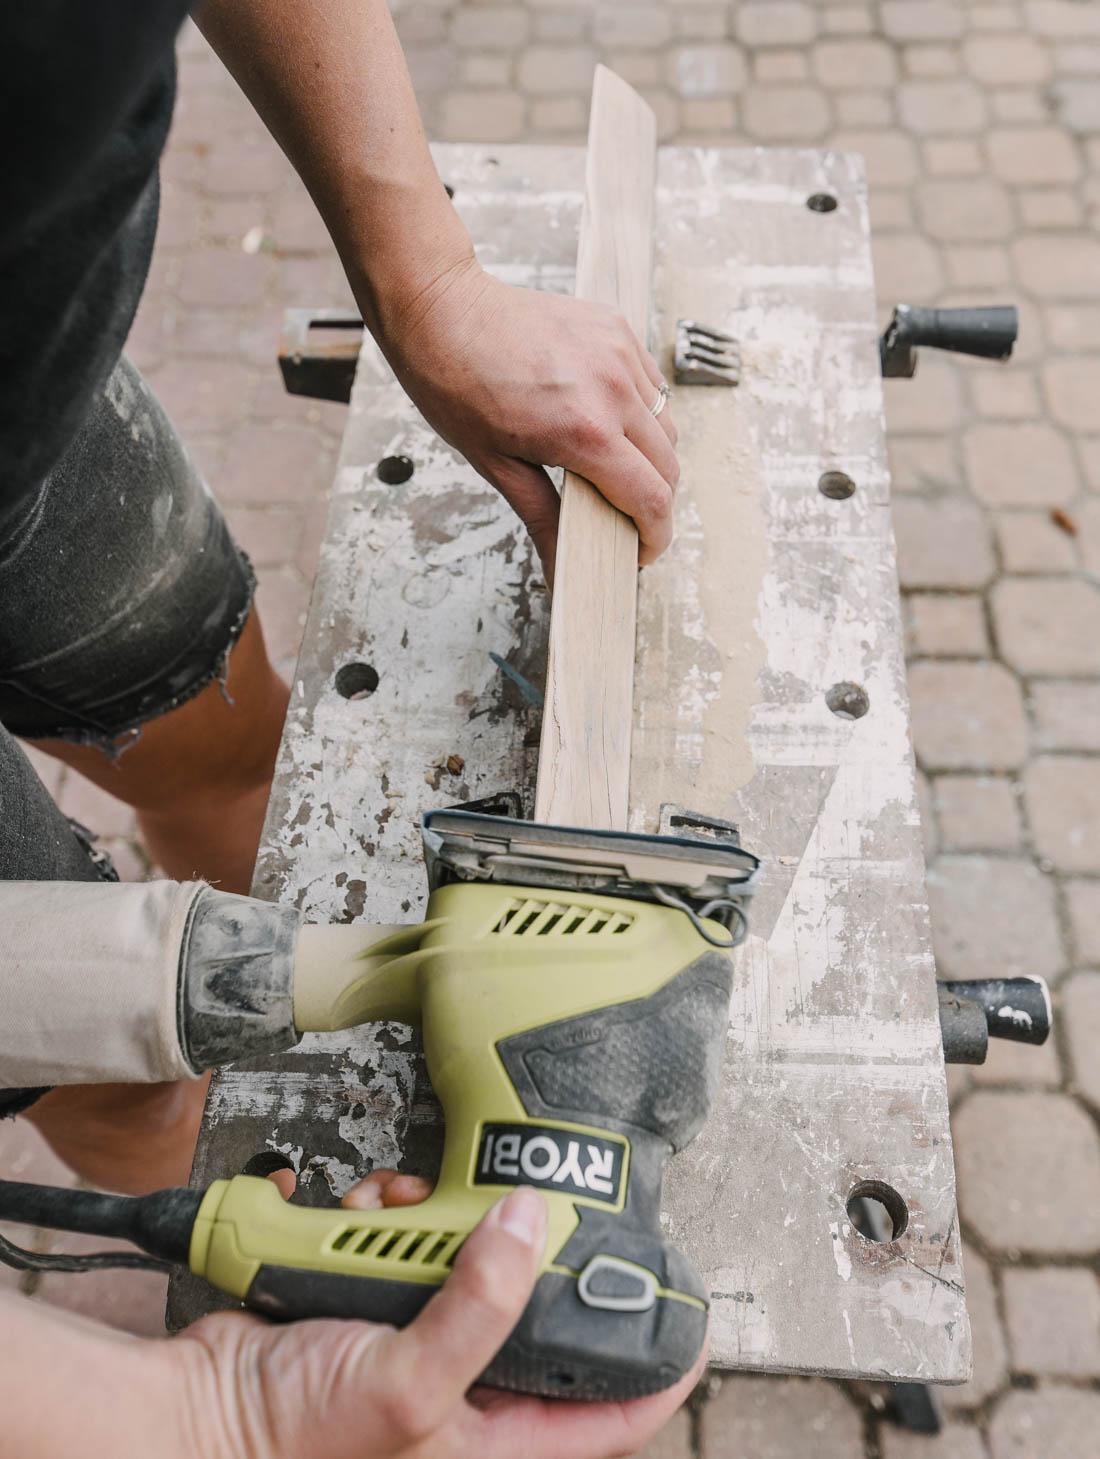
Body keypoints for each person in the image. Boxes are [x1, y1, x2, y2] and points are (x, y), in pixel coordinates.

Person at [0, 2, 692, 1454]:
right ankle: (162, 1159)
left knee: (230, 740)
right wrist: (211, 1411)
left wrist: (426, 269)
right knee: (109, 1074)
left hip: (25, 401)